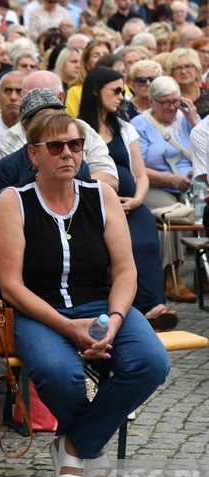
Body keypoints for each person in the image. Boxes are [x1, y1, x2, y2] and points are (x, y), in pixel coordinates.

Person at [0, 108, 170, 477]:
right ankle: (92, 447)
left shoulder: (100, 195)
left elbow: (125, 272)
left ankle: (72, 446)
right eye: (55, 146)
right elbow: (11, 286)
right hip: (37, 311)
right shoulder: (14, 201)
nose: (68, 153)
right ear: (33, 154)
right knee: (59, 373)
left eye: (75, 144)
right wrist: (66, 326)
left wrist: (117, 319)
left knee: (151, 362)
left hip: (100, 304)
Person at [79, 66, 178, 329]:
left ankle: (155, 306)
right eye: (115, 90)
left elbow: (140, 173)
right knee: (125, 246)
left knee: (146, 239)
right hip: (96, 206)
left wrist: (137, 199)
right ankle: (133, 306)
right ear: (95, 91)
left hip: (130, 203)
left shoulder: (124, 127)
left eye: (122, 90)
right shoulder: (79, 129)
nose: (121, 96)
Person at [131, 76, 200, 303]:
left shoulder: (187, 118)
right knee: (171, 213)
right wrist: (170, 179)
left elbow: (205, 147)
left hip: (192, 183)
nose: (172, 107)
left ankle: (204, 274)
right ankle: (173, 279)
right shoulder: (139, 125)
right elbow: (137, 168)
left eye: (175, 101)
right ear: (151, 102)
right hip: (156, 184)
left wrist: (192, 118)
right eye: (165, 103)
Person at [65, 41, 111, 119]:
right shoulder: (75, 91)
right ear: (87, 63)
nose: (102, 59)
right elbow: (72, 120)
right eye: (96, 56)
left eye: (105, 54)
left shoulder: (122, 85)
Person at [167, 48, 209, 118]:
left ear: (197, 69)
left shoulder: (207, 95)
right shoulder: (167, 100)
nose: (183, 71)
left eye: (188, 66)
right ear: (171, 73)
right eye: (178, 68)